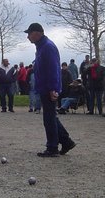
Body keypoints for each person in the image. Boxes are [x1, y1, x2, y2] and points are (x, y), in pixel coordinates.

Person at [24, 23, 76, 157]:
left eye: (29, 34)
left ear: (36, 33)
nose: (28, 37)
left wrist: (53, 88)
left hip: (48, 88)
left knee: (49, 118)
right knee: (50, 116)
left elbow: (53, 69)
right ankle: (66, 141)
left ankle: (52, 147)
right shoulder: (42, 47)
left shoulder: (47, 47)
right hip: (44, 87)